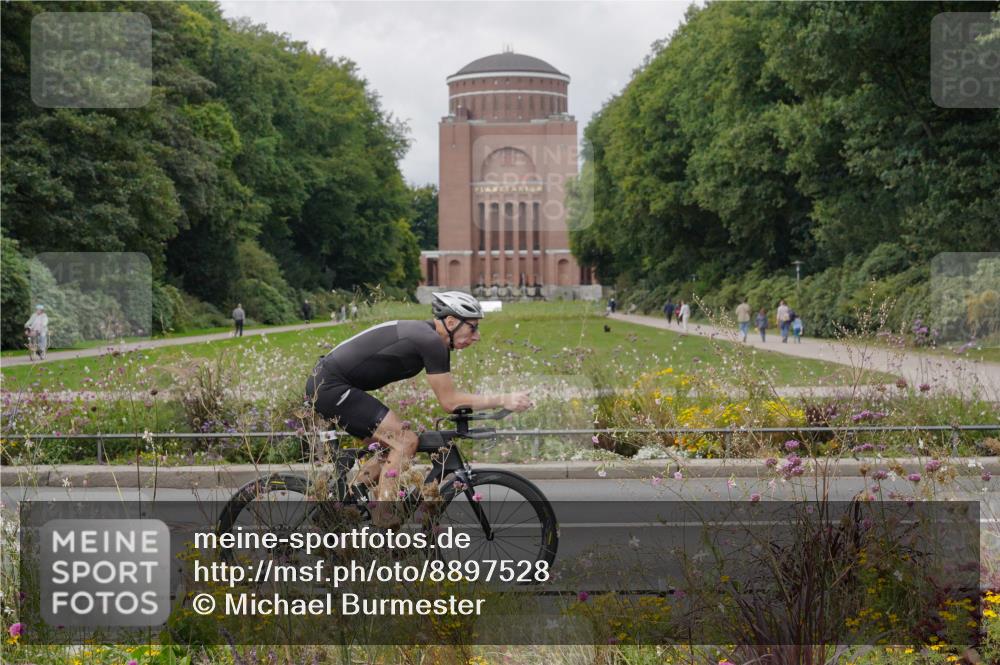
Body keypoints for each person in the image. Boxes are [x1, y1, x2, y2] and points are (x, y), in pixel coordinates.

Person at [305, 291, 533, 526]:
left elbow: (449, 398)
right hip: (331, 386)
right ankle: (382, 517)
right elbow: (450, 402)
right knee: (405, 441)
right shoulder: (430, 340)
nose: (477, 336)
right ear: (452, 322)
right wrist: (504, 399)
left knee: (391, 448)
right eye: (473, 328)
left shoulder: (433, 339)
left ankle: (346, 502)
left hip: (333, 384)